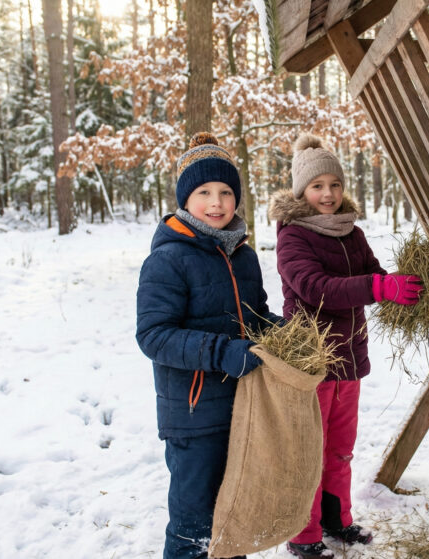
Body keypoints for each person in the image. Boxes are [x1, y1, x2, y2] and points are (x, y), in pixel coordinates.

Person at [269, 134, 423, 559]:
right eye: (318, 186)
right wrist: (378, 287)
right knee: (309, 451)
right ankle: (303, 533)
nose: (328, 194)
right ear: (302, 191)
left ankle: (337, 521)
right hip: (312, 361)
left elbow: (373, 272)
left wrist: (399, 284)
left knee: (339, 449)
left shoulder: (350, 232)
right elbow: (316, 288)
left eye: (334, 184)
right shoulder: (293, 236)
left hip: (349, 359)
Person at [136, 132, 281, 559]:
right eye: (204, 192)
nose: (216, 202)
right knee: (194, 526)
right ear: (185, 199)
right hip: (194, 415)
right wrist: (223, 352)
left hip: (243, 408)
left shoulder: (243, 255)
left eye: (225, 192)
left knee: (233, 517)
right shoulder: (168, 259)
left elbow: (254, 317)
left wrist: (283, 334)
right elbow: (153, 335)